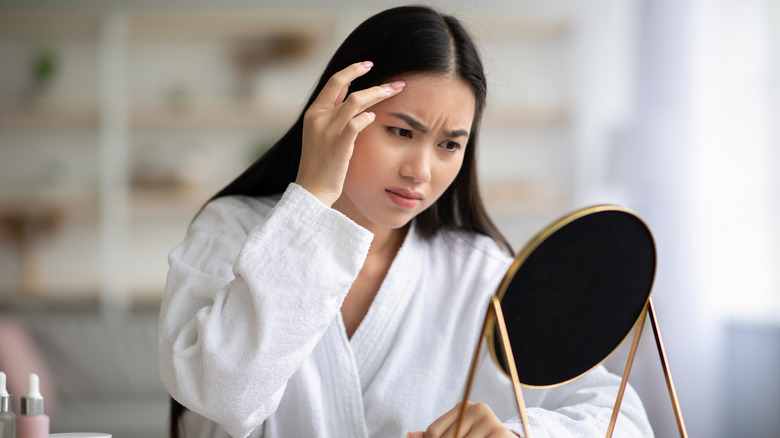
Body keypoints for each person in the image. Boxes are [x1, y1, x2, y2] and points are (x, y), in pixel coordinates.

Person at [157, 5, 654, 438]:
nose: (421, 171)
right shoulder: (232, 230)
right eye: (400, 131)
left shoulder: (478, 271)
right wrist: (311, 201)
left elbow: (622, 417)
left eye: (449, 145)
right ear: (338, 113)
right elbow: (220, 395)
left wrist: (515, 434)